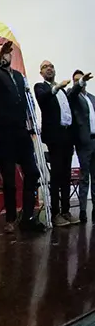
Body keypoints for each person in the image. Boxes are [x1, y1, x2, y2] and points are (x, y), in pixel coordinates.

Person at [0, 40, 44, 233]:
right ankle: (10, 218)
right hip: (3, 133)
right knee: (9, 178)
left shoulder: (19, 76)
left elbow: (28, 100)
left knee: (32, 172)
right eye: (0, 53)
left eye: (6, 52)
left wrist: (32, 122)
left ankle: (28, 216)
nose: (4, 55)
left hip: (21, 131)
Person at [34, 61, 79, 226]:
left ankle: (66, 211)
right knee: (56, 176)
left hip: (67, 136)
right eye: (45, 67)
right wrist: (57, 87)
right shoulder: (40, 87)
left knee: (66, 175)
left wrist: (79, 83)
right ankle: (55, 213)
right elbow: (43, 98)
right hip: (55, 137)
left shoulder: (63, 91)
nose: (49, 68)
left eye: (51, 66)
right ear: (41, 72)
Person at [68, 70, 95, 222]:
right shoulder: (73, 96)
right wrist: (80, 82)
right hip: (84, 143)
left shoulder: (92, 98)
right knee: (84, 177)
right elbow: (73, 92)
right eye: (76, 80)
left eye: (82, 79)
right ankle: (83, 211)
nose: (80, 82)